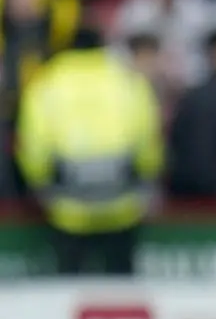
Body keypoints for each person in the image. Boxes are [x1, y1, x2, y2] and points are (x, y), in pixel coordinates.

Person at [17, 26, 162, 275]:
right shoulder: (128, 80)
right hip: (121, 204)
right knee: (121, 291)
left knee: (70, 293)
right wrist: (146, 180)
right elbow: (147, 140)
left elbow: (33, 145)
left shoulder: (46, 82)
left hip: (68, 206)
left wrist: (41, 185)